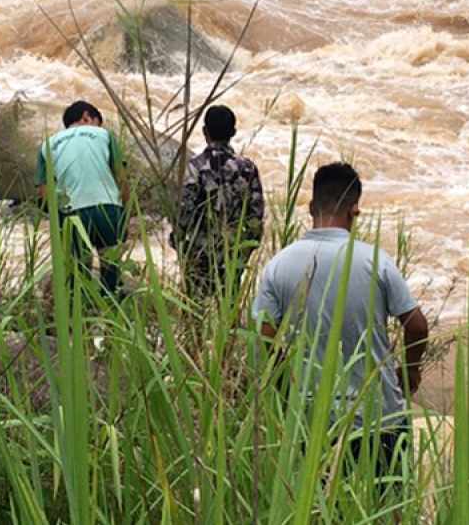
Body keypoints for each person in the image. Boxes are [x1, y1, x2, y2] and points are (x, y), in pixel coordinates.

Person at [252, 162, 430, 483]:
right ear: (355, 210)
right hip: (379, 416)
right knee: (389, 508)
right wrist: (410, 370)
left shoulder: (278, 266)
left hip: (312, 419)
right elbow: (416, 325)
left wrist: (287, 392)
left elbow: (265, 338)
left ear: (310, 208)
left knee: (320, 508)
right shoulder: (375, 261)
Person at [36, 100, 131, 298]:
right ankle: (111, 317)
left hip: (71, 214)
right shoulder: (103, 135)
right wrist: (126, 214)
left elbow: (45, 194)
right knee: (110, 268)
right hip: (107, 208)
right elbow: (120, 178)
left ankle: (80, 320)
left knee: (78, 274)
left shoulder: (47, 145)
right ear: (88, 117)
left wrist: (59, 225)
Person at [174, 104, 266, 299]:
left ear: (204, 131)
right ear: (233, 132)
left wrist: (178, 239)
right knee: (229, 306)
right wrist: (248, 247)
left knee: (194, 308)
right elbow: (256, 214)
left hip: (199, 252)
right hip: (233, 251)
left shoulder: (194, 167)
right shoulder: (247, 168)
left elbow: (184, 210)